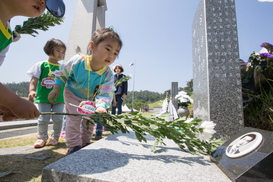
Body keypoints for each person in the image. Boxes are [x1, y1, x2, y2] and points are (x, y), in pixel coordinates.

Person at [48, 27, 122, 155]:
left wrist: (101, 106)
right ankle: (73, 146)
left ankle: (85, 143)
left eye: (116, 53)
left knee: (90, 120)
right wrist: (56, 88)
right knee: (74, 119)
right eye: (108, 49)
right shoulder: (78, 61)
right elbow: (62, 73)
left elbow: (106, 93)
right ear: (92, 46)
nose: (111, 55)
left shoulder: (108, 74)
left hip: (91, 99)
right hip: (72, 94)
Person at [0, 0, 65, 121]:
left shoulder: (7, 33)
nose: (42, 2)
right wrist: (14, 102)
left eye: (46, 2)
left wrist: (5, 105)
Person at [27, 38, 66, 148]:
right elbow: (34, 79)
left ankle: (55, 136)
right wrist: (32, 90)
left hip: (59, 99)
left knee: (58, 118)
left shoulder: (63, 67)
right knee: (43, 118)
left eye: (63, 52)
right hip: (43, 97)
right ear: (49, 50)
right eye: (58, 50)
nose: (61, 54)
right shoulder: (41, 65)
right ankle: (42, 137)